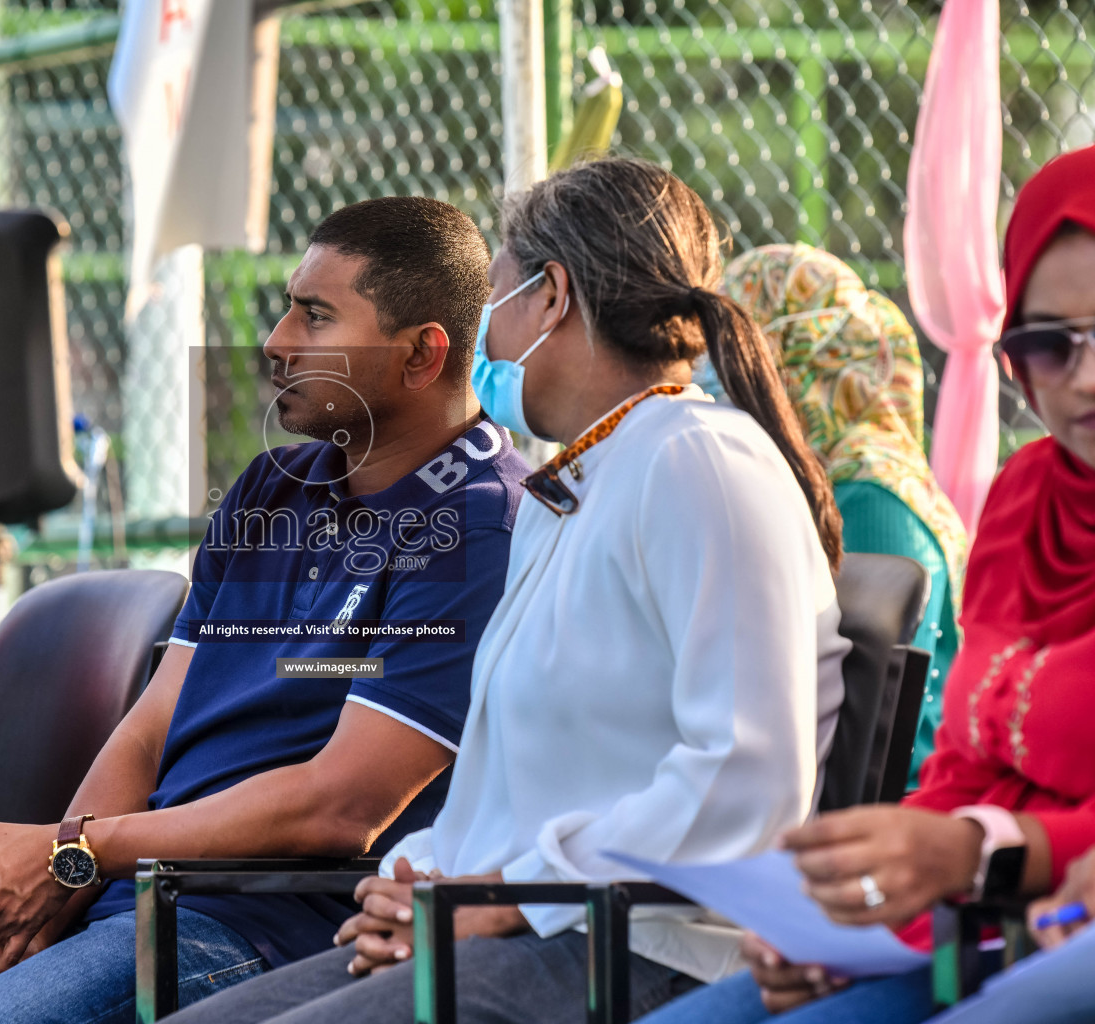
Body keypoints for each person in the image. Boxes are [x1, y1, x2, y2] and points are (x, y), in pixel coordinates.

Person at [0, 196, 530, 1024]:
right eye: (288, 308)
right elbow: (153, 724)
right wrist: (55, 891)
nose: (277, 342)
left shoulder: (478, 525)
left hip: (266, 927)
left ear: (420, 355)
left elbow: (338, 807)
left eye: (316, 317)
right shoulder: (273, 486)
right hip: (125, 891)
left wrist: (67, 854)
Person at [156, 156, 850, 1024]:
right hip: (523, 924)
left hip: (641, 944)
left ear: (551, 296)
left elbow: (744, 777)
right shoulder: (577, 483)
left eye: (495, 298)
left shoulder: (699, 461)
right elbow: (507, 789)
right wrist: (418, 881)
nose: (481, 334)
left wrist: (503, 896)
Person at [636, 143, 1095, 1024]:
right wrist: (843, 909)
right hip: (960, 907)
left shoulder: (873, 502)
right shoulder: (1027, 496)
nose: (1078, 379)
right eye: (1044, 344)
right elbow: (965, 760)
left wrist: (970, 852)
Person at [720, 244, 968, 784]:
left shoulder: (867, 494)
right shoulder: (840, 478)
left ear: (790, 357)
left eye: (734, 351)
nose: (716, 377)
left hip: (901, 804)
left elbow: (870, 710)